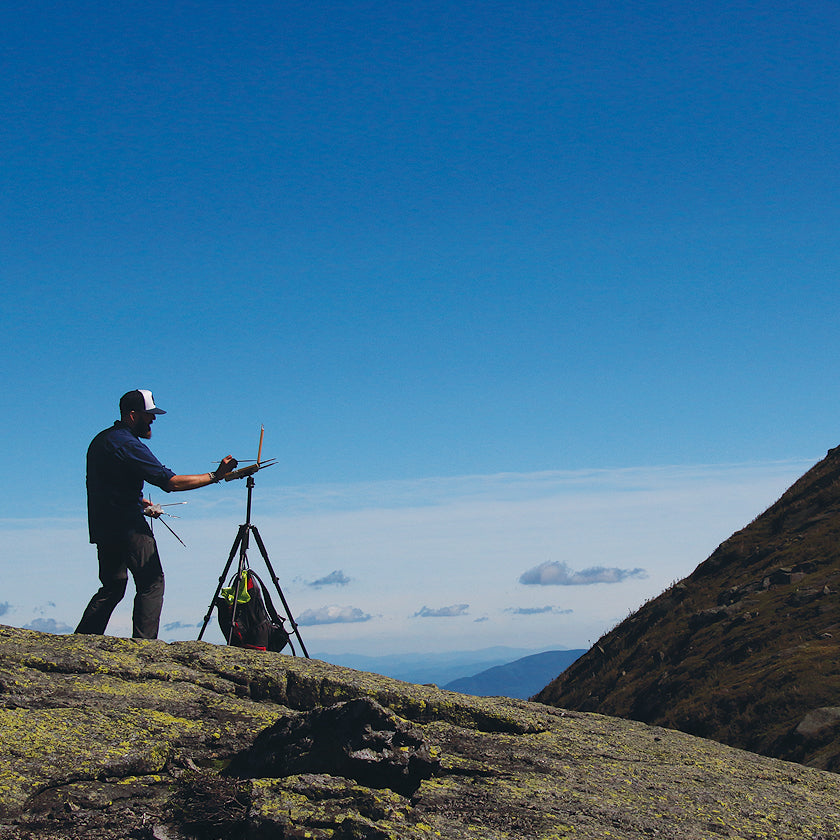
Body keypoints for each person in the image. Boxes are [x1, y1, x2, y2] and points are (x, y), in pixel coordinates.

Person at [76, 389, 238, 639]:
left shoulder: (102, 440)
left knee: (113, 586)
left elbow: (105, 487)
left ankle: (84, 639)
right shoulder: (128, 444)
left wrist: (141, 503)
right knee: (152, 582)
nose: (153, 420)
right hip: (128, 527)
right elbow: (170, 482)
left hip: (103, 525)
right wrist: (216, 476)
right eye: (148, 415)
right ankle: (145, 647)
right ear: (132, 415)